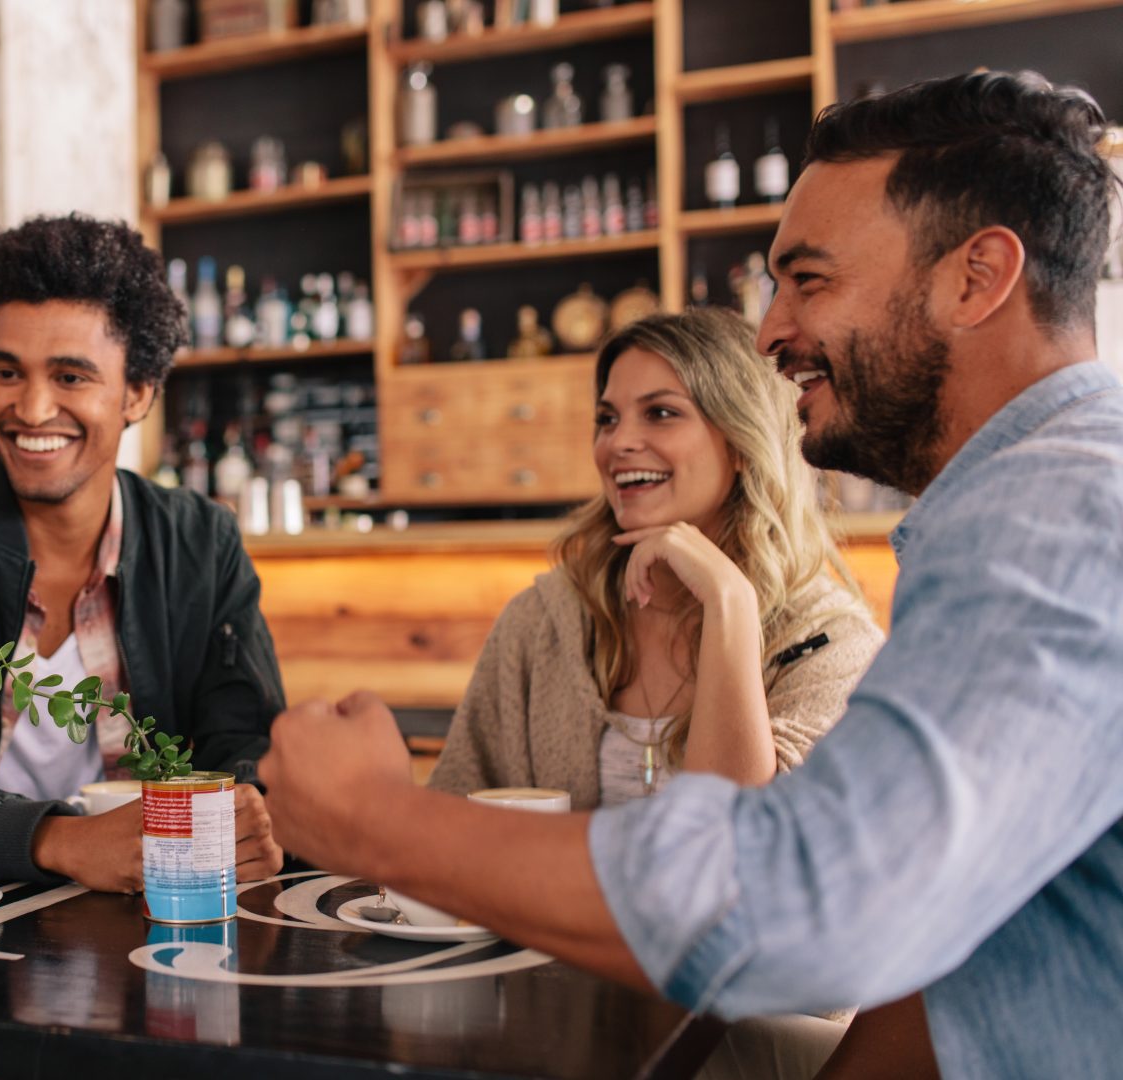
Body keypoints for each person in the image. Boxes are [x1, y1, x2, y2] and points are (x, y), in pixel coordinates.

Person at [261, 70, 1123, 1077]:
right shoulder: (1025, 506)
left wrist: (376, 821)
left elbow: (800, 906)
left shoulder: (1054, 515)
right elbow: (963, 954)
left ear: (976, 278)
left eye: (810, 278)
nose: (769, 331)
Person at [0, 213, 284, 893]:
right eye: (6, 371)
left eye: (70, 377)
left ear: (139, 393)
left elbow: (247, 753)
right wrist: (58, 841)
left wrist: (244, 826)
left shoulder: (200, 544)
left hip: (157, 921)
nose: (31, 409)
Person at [429, 307, 882, 810]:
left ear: (740, 441)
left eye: (660, 413)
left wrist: (728, 601)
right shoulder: (542, 623)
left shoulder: (833, 648)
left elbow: (738, 842)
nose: (617, 443)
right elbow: (447, 822)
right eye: (607, 419)